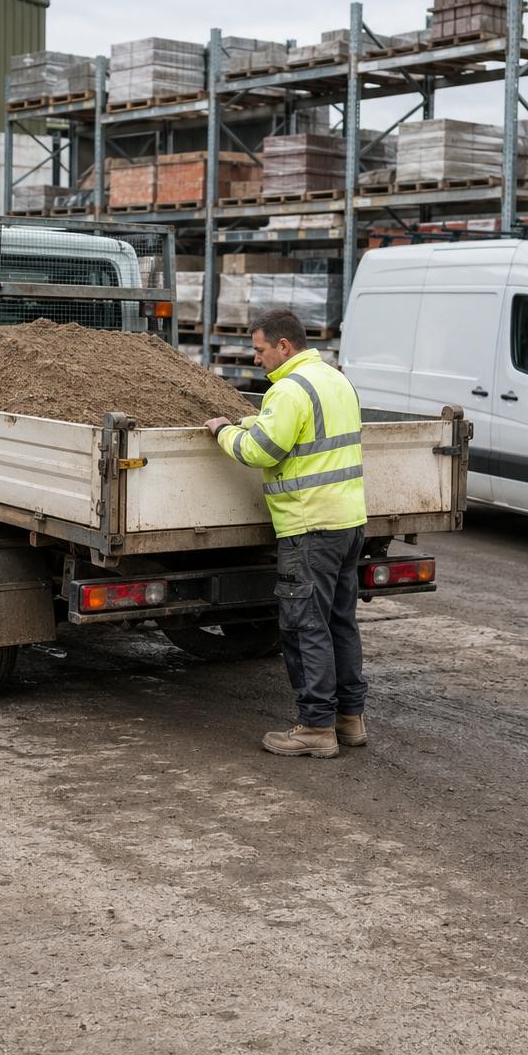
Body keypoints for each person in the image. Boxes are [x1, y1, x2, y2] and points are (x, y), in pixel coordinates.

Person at [204, 307, 368, 758]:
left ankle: (315, 727)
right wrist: (249, 422)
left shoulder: (289, 390)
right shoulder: (335, 380)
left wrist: (223, 432)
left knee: (305, 627)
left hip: (309, 525)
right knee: (340, 623)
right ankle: (349, 720)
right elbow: (301, 436)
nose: (255, 359)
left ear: (283, 346)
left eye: (259, 350)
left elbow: (262, 451)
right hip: (348, 523)